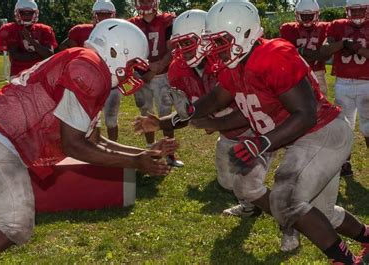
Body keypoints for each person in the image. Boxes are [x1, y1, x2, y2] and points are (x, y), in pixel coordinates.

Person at [0, 19, 176, 265]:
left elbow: (94, 139)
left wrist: (143, 154)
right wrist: (135, 162)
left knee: (5, 207)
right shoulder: (89, 70)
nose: (131, 74)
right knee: (16, 226)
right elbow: (74, 146)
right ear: (116, 51)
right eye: (131, 65)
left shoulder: (87, 64)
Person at [137, 1, 369, 263]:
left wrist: (261, 143)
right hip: (306, 139)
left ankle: (347, 261)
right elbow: (213, 101)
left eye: (221, 40)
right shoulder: (237, 66)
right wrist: (165, 121)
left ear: (244, 32)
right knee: (323, 213)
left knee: (285, 199)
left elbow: (306, 114)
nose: (216, 49)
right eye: (213, 42)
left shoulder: (273, 55)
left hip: (323, 132)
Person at [142, 7, 299, 252]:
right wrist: (161, 123)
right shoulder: (178, 69)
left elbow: (251, 109)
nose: (183, 52)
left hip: (260, 129)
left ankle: (288, 224)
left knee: (250, 185)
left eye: (188, 43)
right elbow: (190, 111)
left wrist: (215, 123)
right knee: (228, 182)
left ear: (206, 38)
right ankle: (250, 206)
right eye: (179, 45)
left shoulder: (231, 60)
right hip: (228, 133)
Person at [129, 0, 184, 167]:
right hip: (141, 74)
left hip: (161, 75)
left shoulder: (167, 21)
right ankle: (151, 151)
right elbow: (129, 50)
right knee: (146, 115)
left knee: (166, 116)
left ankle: (170, 155)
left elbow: (172, 49)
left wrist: (157, 67)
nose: (144, 3)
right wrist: (146, 69)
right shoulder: (132, 24)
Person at [319, 0, 369, 177]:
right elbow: (324, 51)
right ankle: (345, 163)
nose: (356, 15)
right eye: (353, 11)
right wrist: (342, 43)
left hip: (367, 82)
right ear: (347, 11)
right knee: (344, 126)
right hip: (343, 82)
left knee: (368, 126)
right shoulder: (337, 26)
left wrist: (357, 48)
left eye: (360, 11)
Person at [58, 0, 121, 141]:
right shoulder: (80, 31)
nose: (104, 18)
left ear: (113, 15)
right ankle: (92, 146)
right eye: (101, 15)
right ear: (94, 15)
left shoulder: (119, 33)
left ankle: (112, 149)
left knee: (111, 120)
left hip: (112, 82)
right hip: (89, 83)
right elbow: (65, 48)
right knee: (89, 119)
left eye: (107, 15)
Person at [279, 0, 331, 95]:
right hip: (297, 72)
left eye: (310, 15)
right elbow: (288, 55)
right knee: (299, 101)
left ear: (316, 14)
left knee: (320, 101)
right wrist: (316, 55)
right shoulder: (288, 29)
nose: (307, 18)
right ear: (298, 15)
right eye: (304, 15)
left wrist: (301, 51)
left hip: (317, 71)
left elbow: (325, 55)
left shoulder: (325, 27)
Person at [0, 0, 57, 79]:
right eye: (23, 13)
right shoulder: (11, 29)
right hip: (18, 75)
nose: (27, 16)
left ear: (35, 14)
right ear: (17, 13)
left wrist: (30, 39)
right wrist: (40, 55)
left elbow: (49, 55)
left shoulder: (45, 30)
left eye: (30, 13)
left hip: (41, 74)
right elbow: (16, 55)